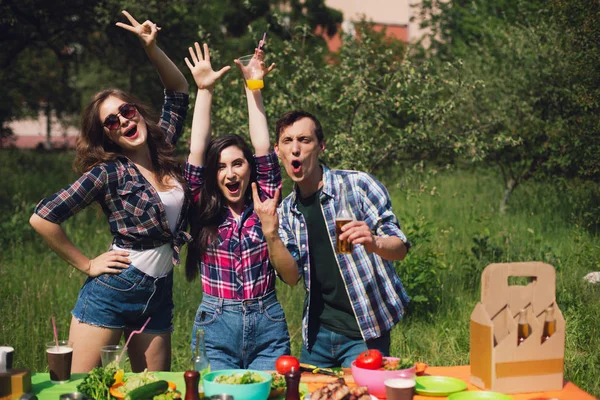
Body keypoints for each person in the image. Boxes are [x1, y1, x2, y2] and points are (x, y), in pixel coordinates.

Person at [29, 10, 189, 372]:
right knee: (75, 390)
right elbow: (42, 218)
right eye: (111, 122)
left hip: (159, 294)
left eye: (126, 111)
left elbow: (178, 91)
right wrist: (86, 263)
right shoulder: (108, 173)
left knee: (151, 393)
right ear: (108, 135)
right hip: (113, 291)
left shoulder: (162, 147)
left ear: (137, 111)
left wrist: (152, 49)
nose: (124, 122)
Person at [183, 43, 299, 370]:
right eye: (221, 167)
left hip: (268, 324)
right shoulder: (202, 206)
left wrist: (254, 86)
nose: (230, 173)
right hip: (215, 325)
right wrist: (204, 90)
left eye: (237, 164)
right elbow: (196, 149)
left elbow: (262, 146)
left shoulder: (265, 199)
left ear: (249, 168)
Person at [272, 110, 411, 367]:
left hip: (366, 328)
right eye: (287, 141)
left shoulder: (357, 186)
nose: (295, 149)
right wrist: (270, 234)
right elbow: (291, 278)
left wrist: (374, 242)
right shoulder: (286, 212)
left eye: (304, 140)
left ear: (321, 146)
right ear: (278, 151)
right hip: (318, 335)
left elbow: (400, 247)